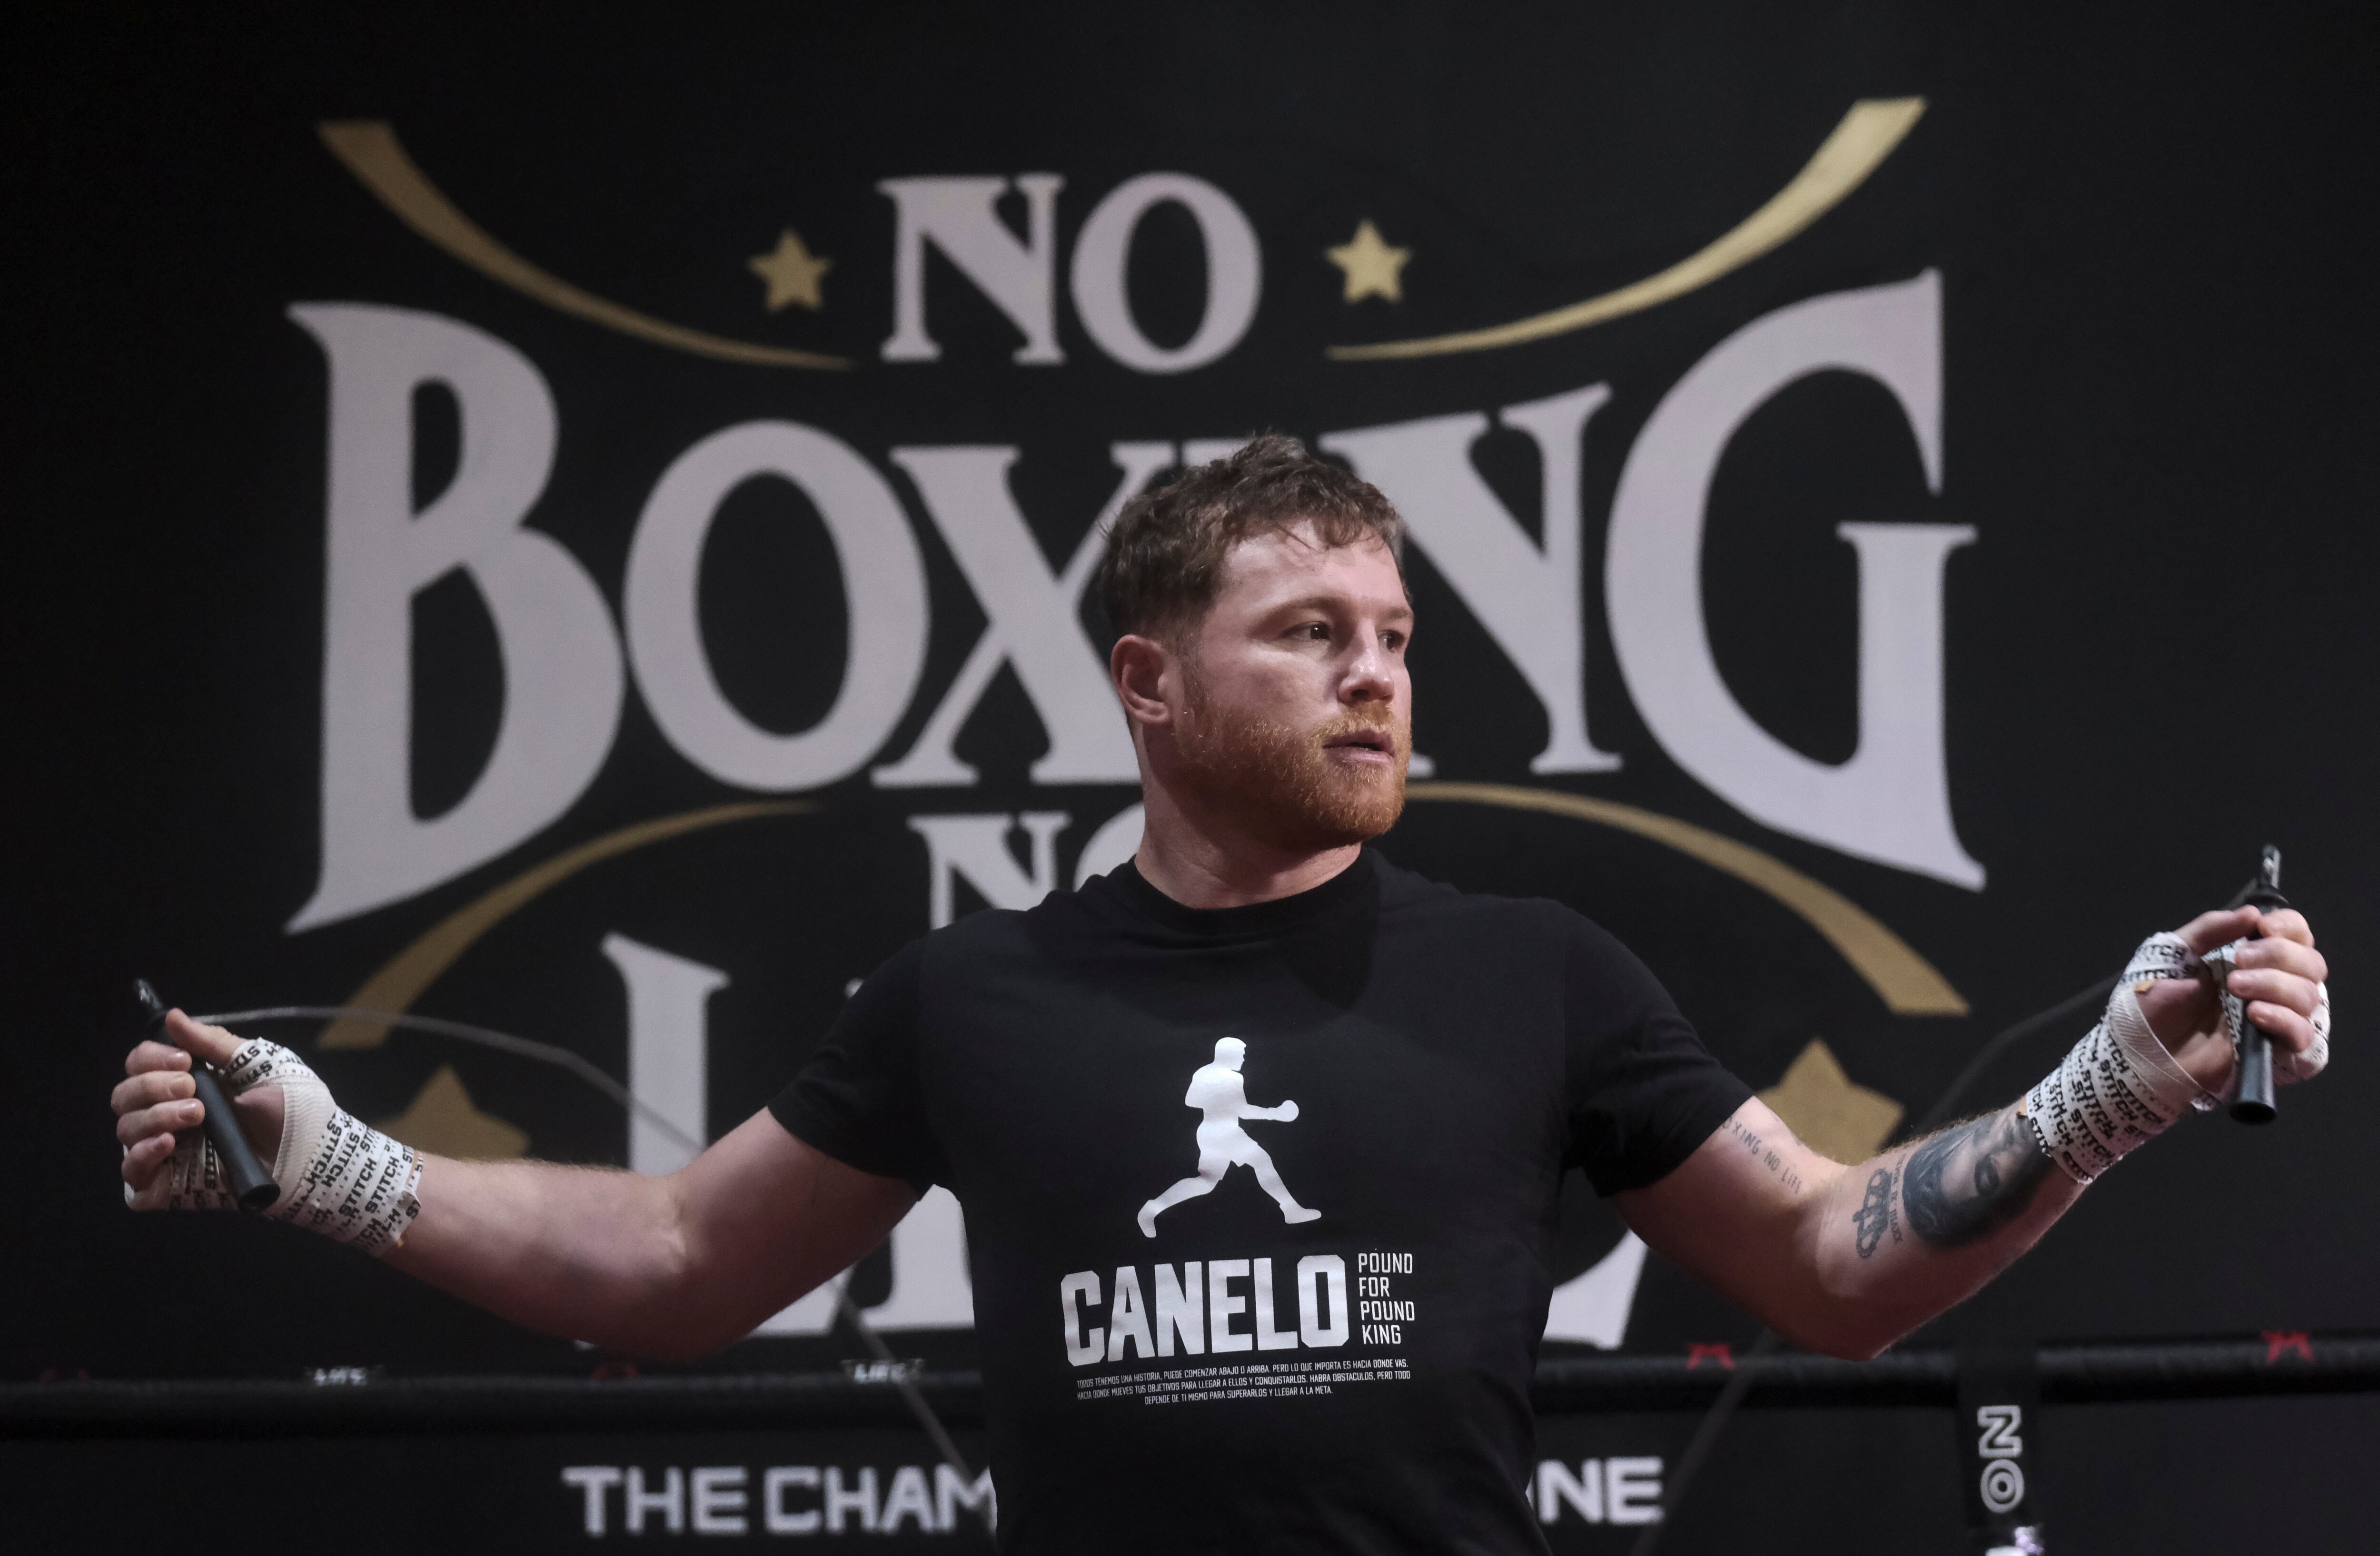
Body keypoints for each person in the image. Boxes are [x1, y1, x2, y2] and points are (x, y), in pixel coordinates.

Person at [113, 437, 2333, 1554]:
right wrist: (337, 1163)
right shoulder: (966, 990)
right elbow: (683, 1263)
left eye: (1392, 631)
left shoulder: (1530, 968)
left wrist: (2105, 1090)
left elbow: (1837, 1263)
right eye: (1311, 632)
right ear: (1147, 683)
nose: (1376, 669)